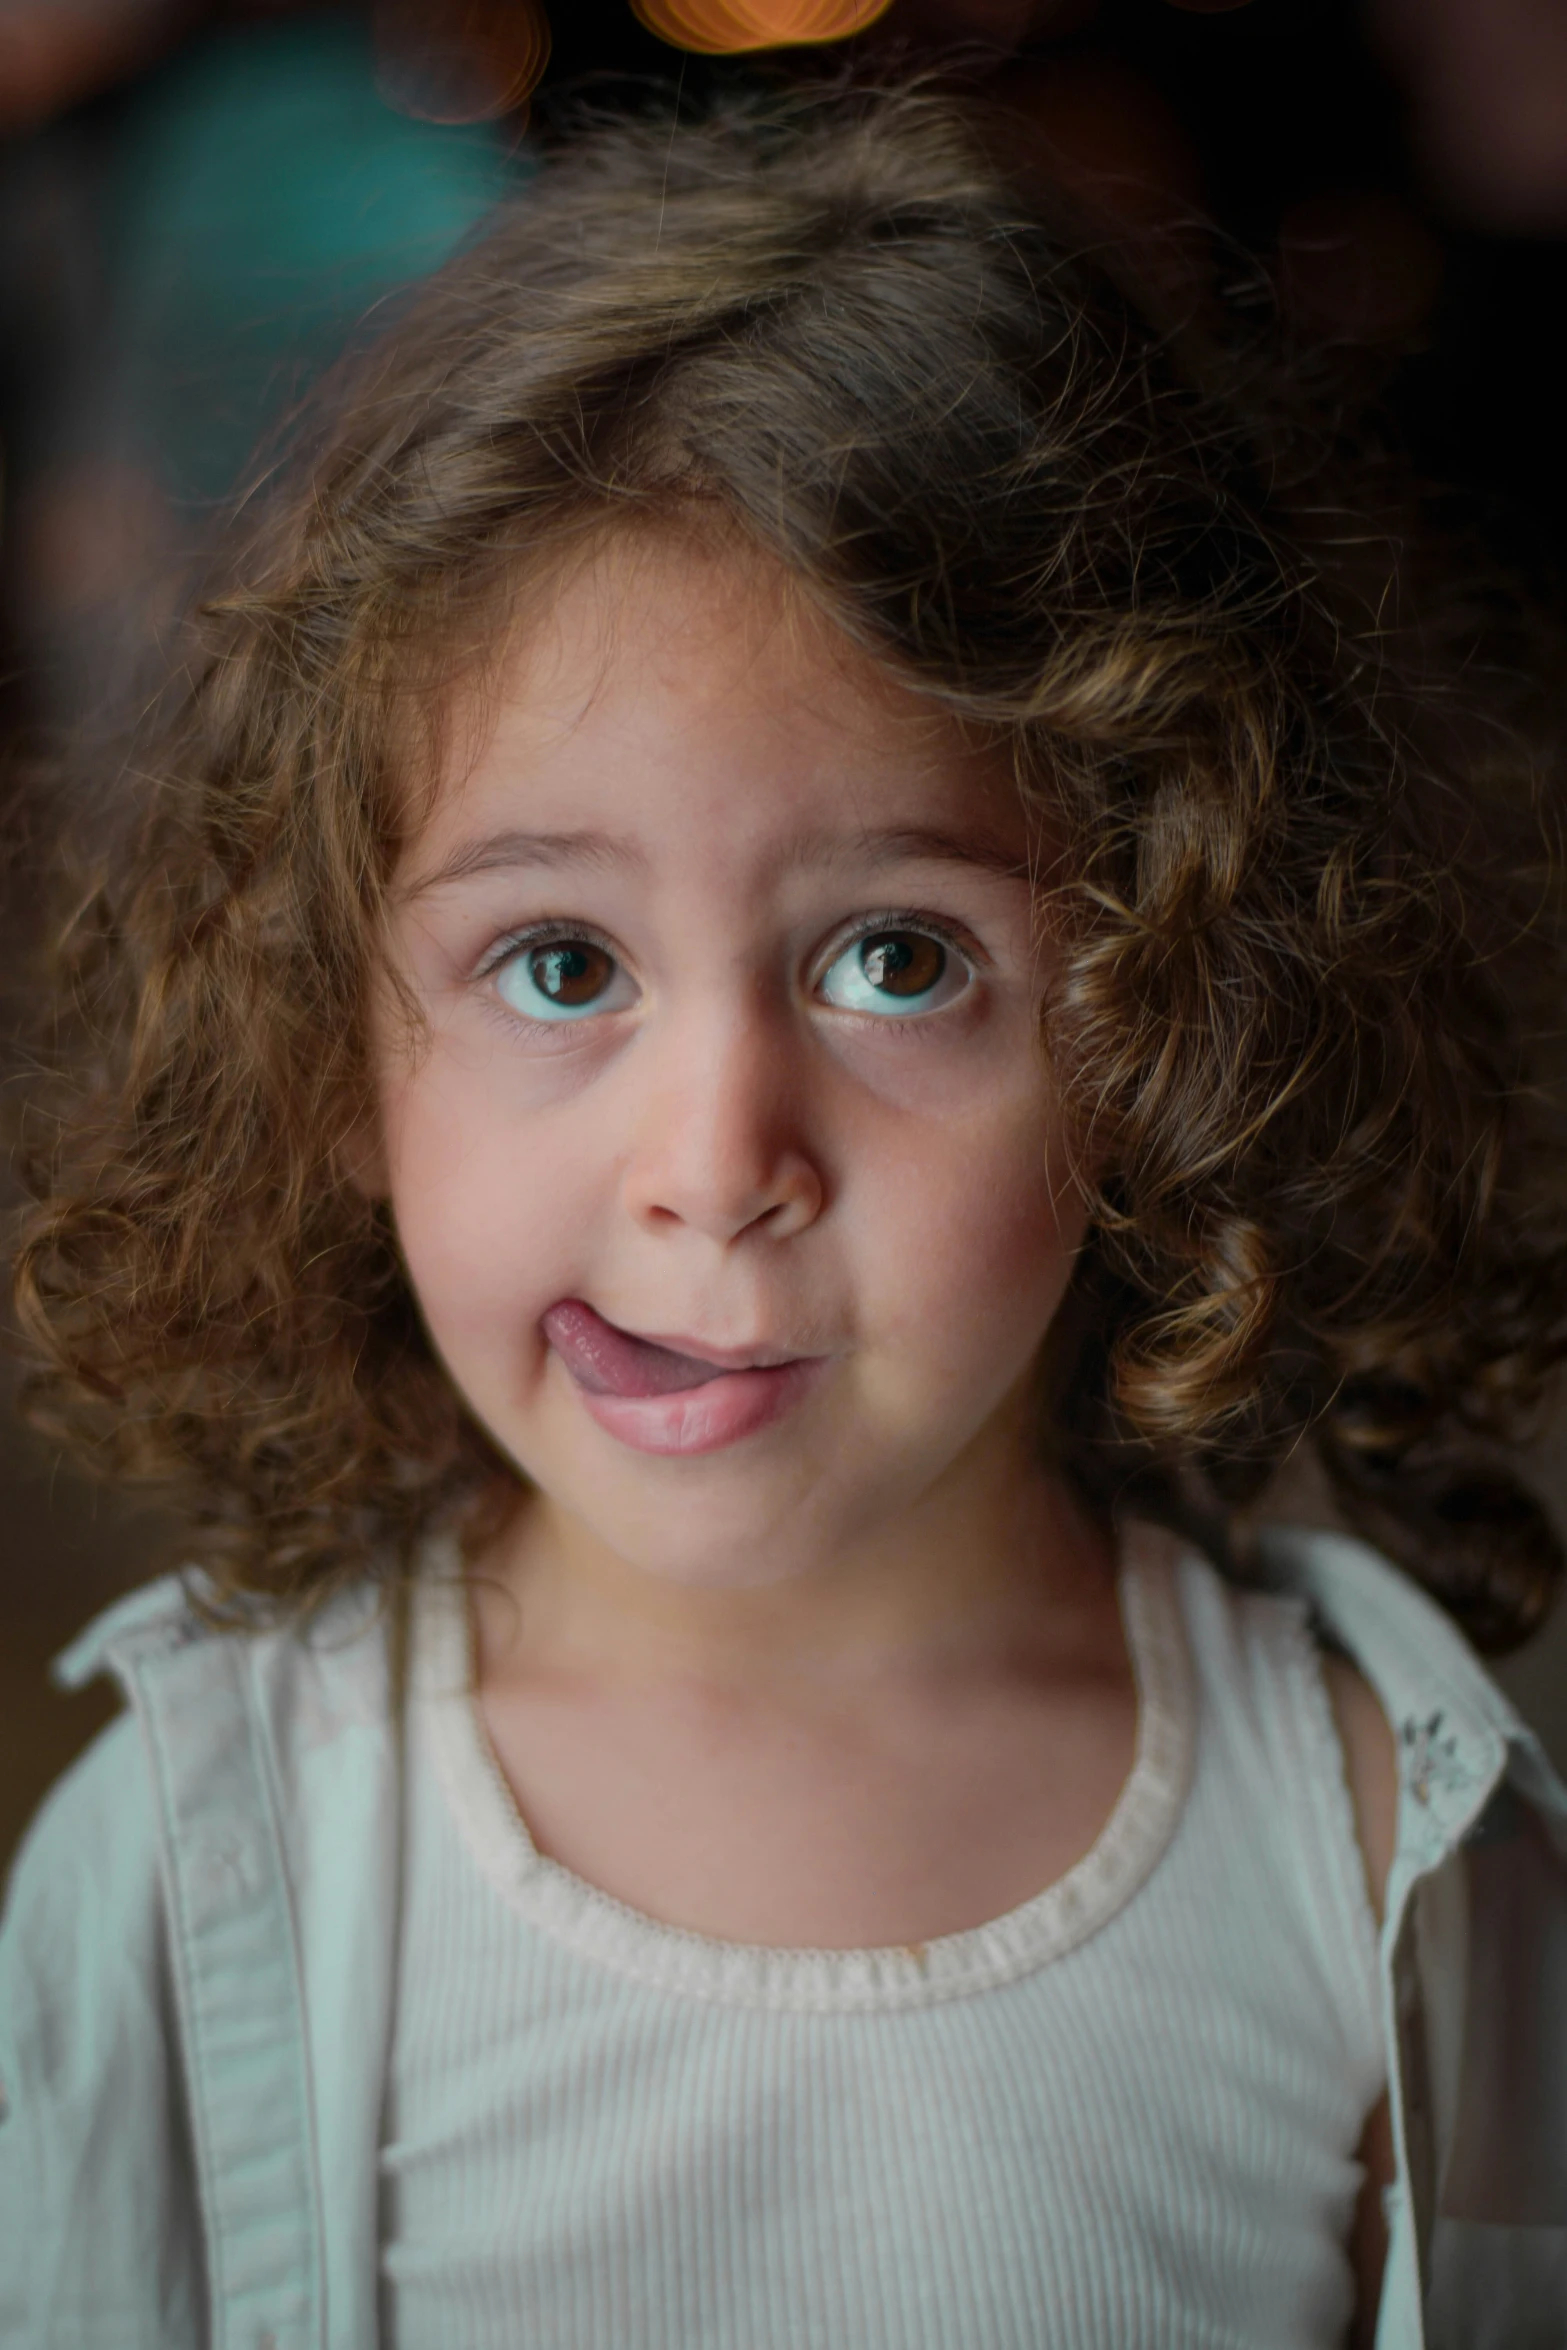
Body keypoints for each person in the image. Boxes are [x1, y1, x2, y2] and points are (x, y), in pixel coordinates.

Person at [3, 86, 1566, 2350]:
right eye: (561, 964)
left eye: (898, 958)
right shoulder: (185, 1871)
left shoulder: (1394, 1861)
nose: (717, 1155)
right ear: (331, 1045)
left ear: (1172, 1028)